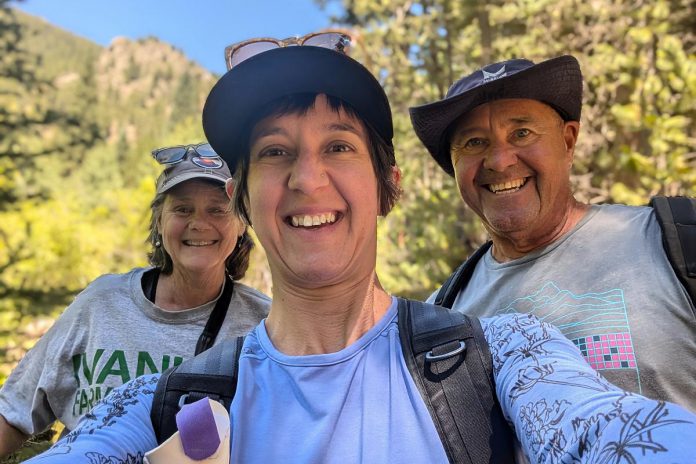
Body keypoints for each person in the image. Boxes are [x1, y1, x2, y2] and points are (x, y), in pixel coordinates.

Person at [27, 34, 696, 464]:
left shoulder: (504, 353)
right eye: (274, 152)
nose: (306, 178)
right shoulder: (167, 400)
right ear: (244, 198)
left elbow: (600, 429)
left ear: (388, 187)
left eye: (338, 147)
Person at [409, 56, 696, 412]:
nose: (499, 160)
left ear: (568, 141)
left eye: (522, 133)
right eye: (473, 143)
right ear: (455, 168)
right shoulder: (442, 316)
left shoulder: (678, 243)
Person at [0, 144, 270, 457]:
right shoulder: (100, 304)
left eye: (217, 210)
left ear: (241, 225)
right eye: (182, 209)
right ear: (159, 221)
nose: (198, 223)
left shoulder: (262, 324)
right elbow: (13, 409)